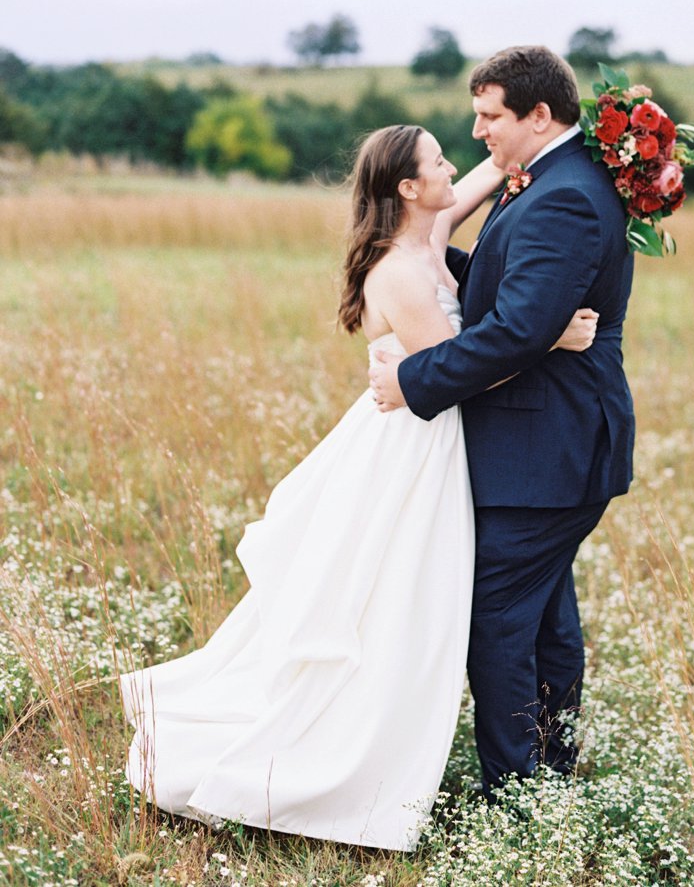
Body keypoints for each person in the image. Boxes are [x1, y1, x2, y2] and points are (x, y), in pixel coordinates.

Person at [120, 122, 597, 852]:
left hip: (434, 442)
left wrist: (569, 134)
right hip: (409, 448)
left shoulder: (427, 235)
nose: (450, 167)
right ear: (408, 188)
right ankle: (332, 766)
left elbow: (490, 171)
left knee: (409, 601)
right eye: (436, 160)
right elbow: (462, 371)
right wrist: (551, 337)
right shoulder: (399, 272)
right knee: (388, 603)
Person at [369, 45, 635, 800]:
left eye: (490, 116)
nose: (478, 130)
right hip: (544, 443)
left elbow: (518, 329)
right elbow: (500, 285)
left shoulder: (564, 196)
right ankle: (547, 772)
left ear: (538, 115)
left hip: (546, 445)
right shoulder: (548, 182)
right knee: (544, 616)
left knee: (498, 621)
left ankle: (517, 792)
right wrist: (421, 271)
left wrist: (410, 380)